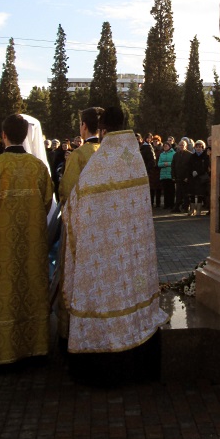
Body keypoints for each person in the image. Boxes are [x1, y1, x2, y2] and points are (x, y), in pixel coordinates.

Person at [61, 106, 168, 384]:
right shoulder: (133, 157)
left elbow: (73, 202)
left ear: (104, 129)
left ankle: (101, 363)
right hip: (132, 251)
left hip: (102, 255)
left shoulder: (100, 162)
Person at [0, 114, 52, 365]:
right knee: (29, 288)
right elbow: (48, 203)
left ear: (3, 135)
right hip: (32, 243)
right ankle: (33, 347)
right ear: (27, 136)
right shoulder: (38, 167)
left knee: (1, 293)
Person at [186, 140, 210, 216]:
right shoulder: (192, 156)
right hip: (192, 178)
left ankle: (199, 210)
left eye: (200, 147)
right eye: (197, 147)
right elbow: (189, 166)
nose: (198, 148)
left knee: (200, 194)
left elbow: (206, 167)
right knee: (192, 194)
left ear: (203, 148)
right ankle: (192, 210)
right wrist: (192, 172)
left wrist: (198, 172)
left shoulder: (205, 156)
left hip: (201, 178)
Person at [157, 141, 176, 210]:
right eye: (164, 146)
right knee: (165, 191)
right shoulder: (162, 154)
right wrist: (163, 164)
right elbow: (159, 164)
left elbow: (174, 163)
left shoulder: (174, 154)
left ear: (169, 146)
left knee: (171, 190)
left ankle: (172, 204)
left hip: (170, 174)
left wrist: (167, 163)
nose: (165, 147)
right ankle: (166, 204)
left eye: (166, 146)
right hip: (163, 175)